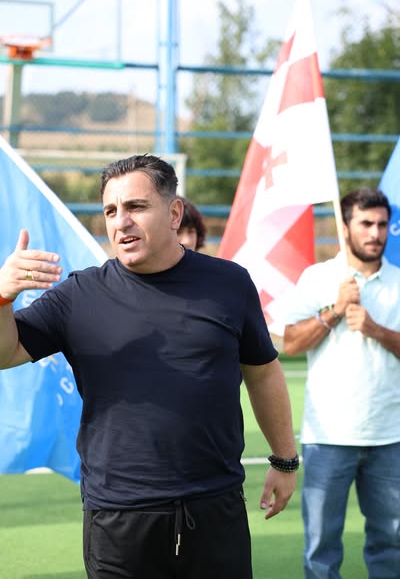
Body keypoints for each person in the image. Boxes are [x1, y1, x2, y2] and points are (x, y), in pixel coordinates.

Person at [0, 154, 298, 579]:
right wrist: (3, 297)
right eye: (110, 211)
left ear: (174, 213)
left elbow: (263, 372)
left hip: (215, 507)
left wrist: (285, 459)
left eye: (136, 207)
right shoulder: (79, 295)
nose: (121, 221)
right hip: (118, 518)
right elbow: (5, 354)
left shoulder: (229, 283)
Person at [283, 187, 400, 579]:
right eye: (365, 223)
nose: (375, 233)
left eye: (381, 224)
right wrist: (334, 310)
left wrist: (376, 329)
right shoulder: (318, 277)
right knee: (321, 548)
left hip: (390, 435)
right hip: (328, 435)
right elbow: (292, 343)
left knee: (391, 544)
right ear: (345, 227)